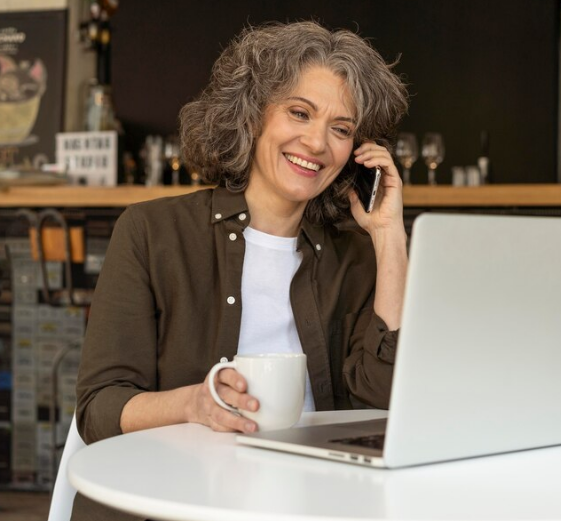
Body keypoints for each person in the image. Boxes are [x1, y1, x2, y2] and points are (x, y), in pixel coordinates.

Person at [72, 21, 409, 520]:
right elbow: (99, 408)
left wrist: (388, 236)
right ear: (253, 115)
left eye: (341, 128)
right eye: (300, 112)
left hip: (315, 501)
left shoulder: (356, 258)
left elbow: (381, 406)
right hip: (171, 499)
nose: (317, 142)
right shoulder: (152, 231)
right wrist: (193, 405)